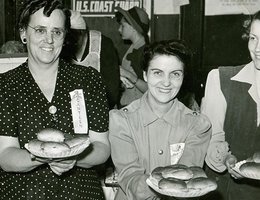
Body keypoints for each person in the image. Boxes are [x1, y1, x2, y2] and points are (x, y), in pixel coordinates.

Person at [0, 0, 110, 199]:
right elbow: (5, 154)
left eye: (57, 32)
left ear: (65, 36)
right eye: (40, 30)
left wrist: (73, 158)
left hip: (81, 192)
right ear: (24, 33)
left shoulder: (88, 80)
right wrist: (44, 156)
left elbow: (102, 148)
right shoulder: (6, 85)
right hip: (23, 193)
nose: (49, 40)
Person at [109, 39, 212, 200]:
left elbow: (187, 177)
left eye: (175, 74)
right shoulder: (121, 120)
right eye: (157, 72)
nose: (166, 83)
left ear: (183, 77)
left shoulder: (198, 125)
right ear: (145, 74)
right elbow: (132, 181)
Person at [201, 10, 260, 200]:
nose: (257, 48)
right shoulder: (221, 79)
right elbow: (212, 139)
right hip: (229, 192)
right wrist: (226, 158)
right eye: (253, 38)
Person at [61, 10, 120, 110]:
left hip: (101, 108)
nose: (69, 43)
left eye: (73, 38)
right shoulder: (62, 46)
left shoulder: (103, 44)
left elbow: (112, 91)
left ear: (83, 33)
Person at [115, 6, 150, 107]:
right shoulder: (134, 47)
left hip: (137, 110)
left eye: (122, 25)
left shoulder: (143, 51)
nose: (119, 29)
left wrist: (128, 75)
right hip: (129, 106)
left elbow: (151, 90)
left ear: (133, 27)